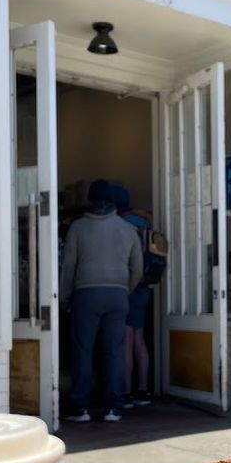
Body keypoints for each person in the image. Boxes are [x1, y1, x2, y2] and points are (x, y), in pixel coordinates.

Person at [59, 178, 142, 423]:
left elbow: (69, 267)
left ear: (90, 200)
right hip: (118, 295)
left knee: (83, 351)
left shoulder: (78, 227)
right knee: (115, 351)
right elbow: (137, 267)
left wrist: (64, 297)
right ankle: (112, 408)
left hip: (86, 294)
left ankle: (80, 408)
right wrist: (124, 289)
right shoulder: (128, 229)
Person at [112, 184, 155, 408]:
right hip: (145, 288)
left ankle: (127, 392)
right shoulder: (145, 222)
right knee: (140, 340)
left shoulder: (119, 224)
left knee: (125, 342)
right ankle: (144, 390)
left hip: (128, 286)